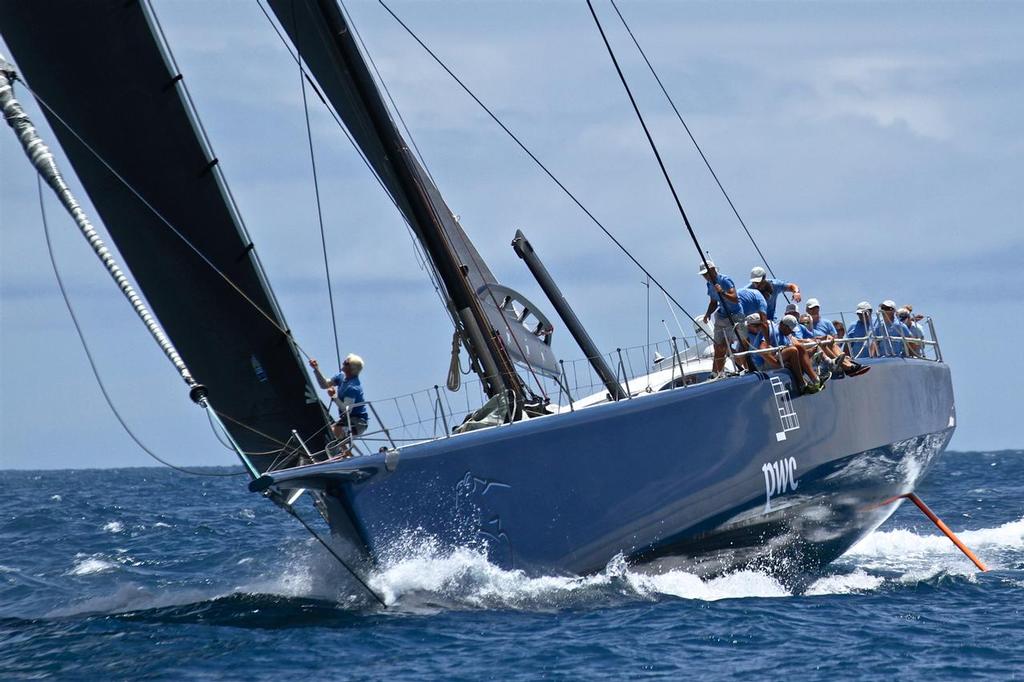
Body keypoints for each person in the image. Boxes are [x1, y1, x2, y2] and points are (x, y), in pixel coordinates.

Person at [310, 354, 369, 449]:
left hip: (358, 423)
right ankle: (346, 455)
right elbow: (324, 384)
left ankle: (345, 455)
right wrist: (316, 369)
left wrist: (334, 396)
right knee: (330, 433)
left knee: (332, 434)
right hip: (346, 420)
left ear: (351, 368)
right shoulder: (341, 377)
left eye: (346, 363)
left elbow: (346, 410)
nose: (343, 363)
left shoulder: (353, 387)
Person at [700, 260, 743, 377]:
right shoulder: (709, 284)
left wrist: (722, 292)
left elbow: (735, 298)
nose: (706, 276)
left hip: (734, 316)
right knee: (717, 346)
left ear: (713, 270)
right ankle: (717, 373)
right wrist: (708, 313)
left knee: (725, 345)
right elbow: (713, 302)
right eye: (704, 275)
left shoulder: (725, 280)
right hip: (721, 315)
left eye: (707, 273)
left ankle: (741, 367)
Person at [777, 315, 826, 394]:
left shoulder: (787, 334)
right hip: (776, 360)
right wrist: (777, 365)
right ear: (783, 325)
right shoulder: (775, 331)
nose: (791, 332)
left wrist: (812, 349)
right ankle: (802, 383)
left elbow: (798, 345)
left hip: (786, 358)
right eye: (790, 330)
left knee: (800, 347)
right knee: (793, 350)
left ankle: (815, 379)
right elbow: (765, 351)